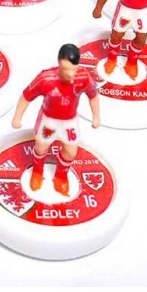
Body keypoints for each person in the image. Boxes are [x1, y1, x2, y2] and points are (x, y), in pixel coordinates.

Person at [11, 44, 100, 196]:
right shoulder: (46, 78)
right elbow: (26, 96)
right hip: (49, 120)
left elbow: (93, 96)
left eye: (73, 69)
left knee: (71, 151)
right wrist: (17, 118)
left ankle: (61, 175)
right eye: (66, 69)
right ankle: (37, 171)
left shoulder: (84, 77)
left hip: (70, 121)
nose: (70, 74)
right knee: (41, 147)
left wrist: (96, 117)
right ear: (59, 63)